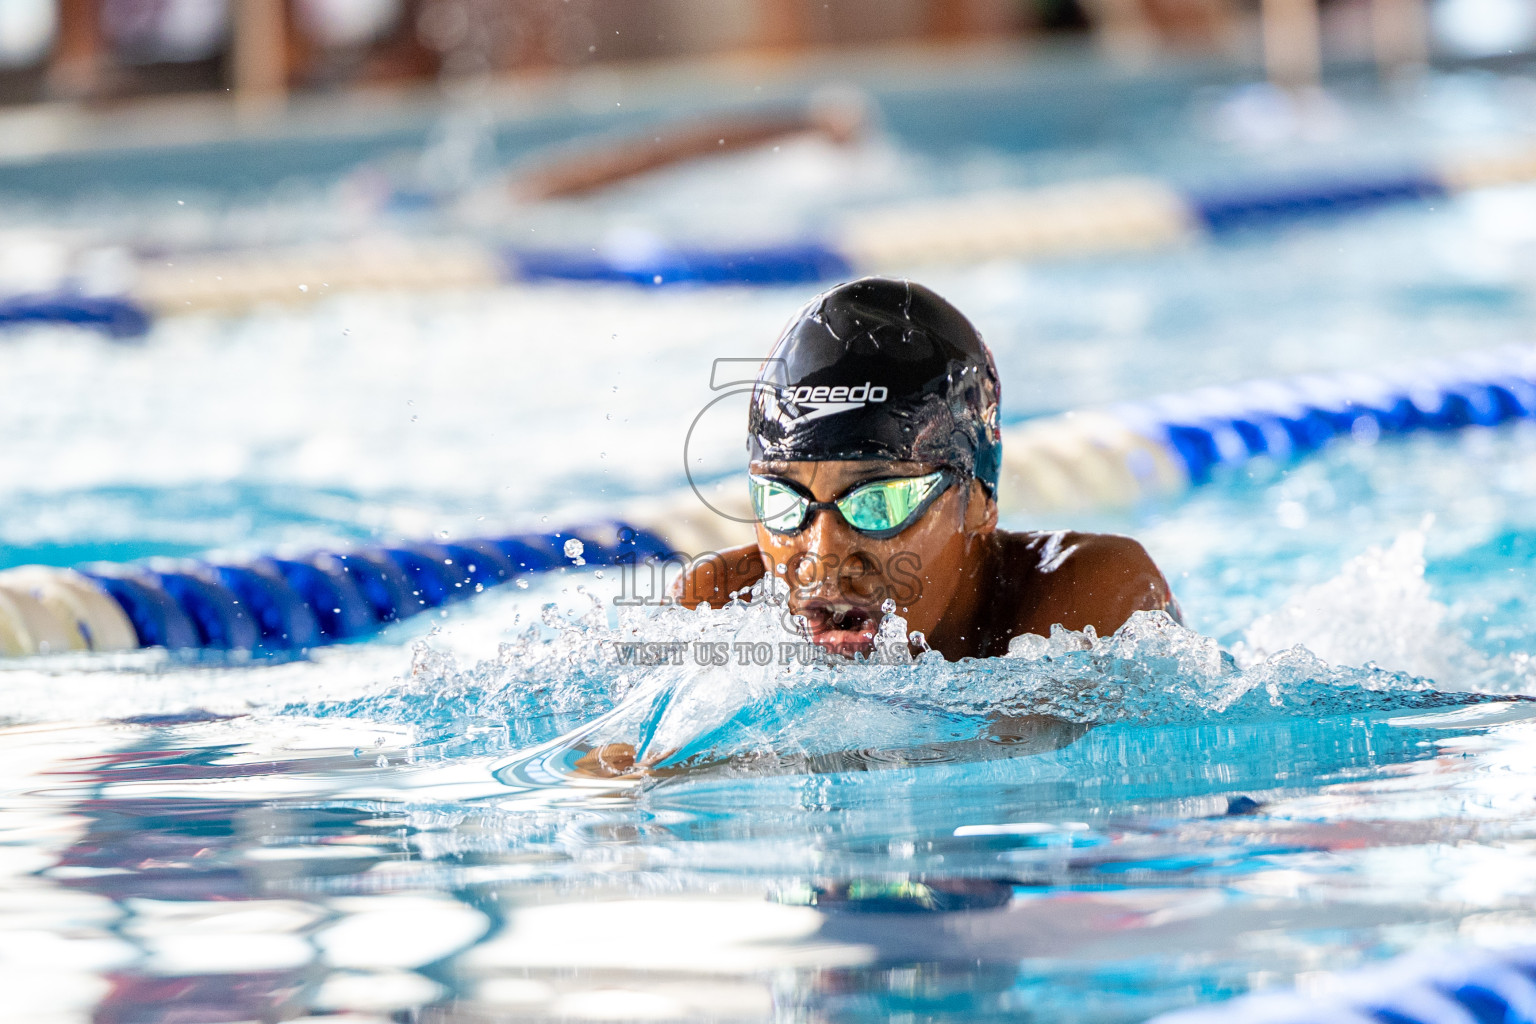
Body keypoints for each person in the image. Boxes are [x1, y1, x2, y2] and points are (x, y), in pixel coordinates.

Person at [674, 276, 1179, 661]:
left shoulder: (1088, 595)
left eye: (877, 502)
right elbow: (609, 779)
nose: (822, 558)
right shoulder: (716, 608)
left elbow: (1009, 777)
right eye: (782, 502)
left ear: (979, 498)